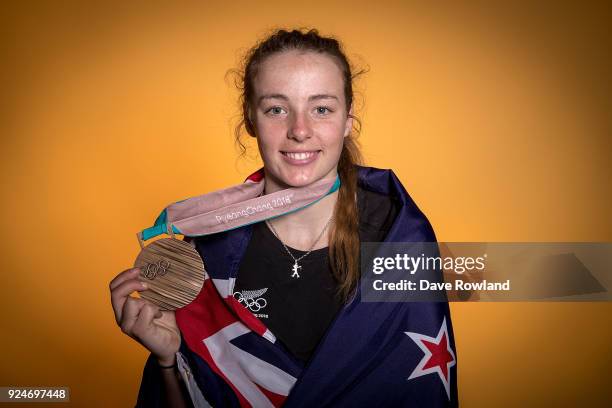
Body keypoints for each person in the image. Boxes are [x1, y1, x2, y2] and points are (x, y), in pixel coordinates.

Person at [110, 28, 458, 407]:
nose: (300, 130)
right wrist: (167, 360)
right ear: (250, 121)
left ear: (347, 120)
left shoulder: (398, 235)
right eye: (277, 109)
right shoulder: (207, 251)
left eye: (321, 108)